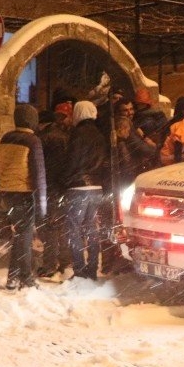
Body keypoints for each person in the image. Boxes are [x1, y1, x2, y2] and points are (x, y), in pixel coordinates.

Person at [0, 104, 47, 290]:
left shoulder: (6, 138)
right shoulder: (32, 141)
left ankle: (14, 277)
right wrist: (43, 206)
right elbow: (38, 174)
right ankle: (25, 278)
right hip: (24, 193)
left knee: (19, 235)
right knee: (24, 236)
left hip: (6, 193)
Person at [63, 100, 108, 280]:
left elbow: (72, 160)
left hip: (78, 186)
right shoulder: (100, 135)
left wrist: (64, 179)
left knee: (73, 229)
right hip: (97, 187)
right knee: (91, 228)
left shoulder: (77, 134)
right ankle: (93, 268)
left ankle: (80, 269)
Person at [34, 101, 73, 278]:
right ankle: (65, 261)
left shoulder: (44, 137)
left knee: (50, 227)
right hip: (63, 186)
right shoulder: (68, 136)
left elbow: (40, 165)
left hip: (50, 187)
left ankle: (50, 265)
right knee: (61, 225)